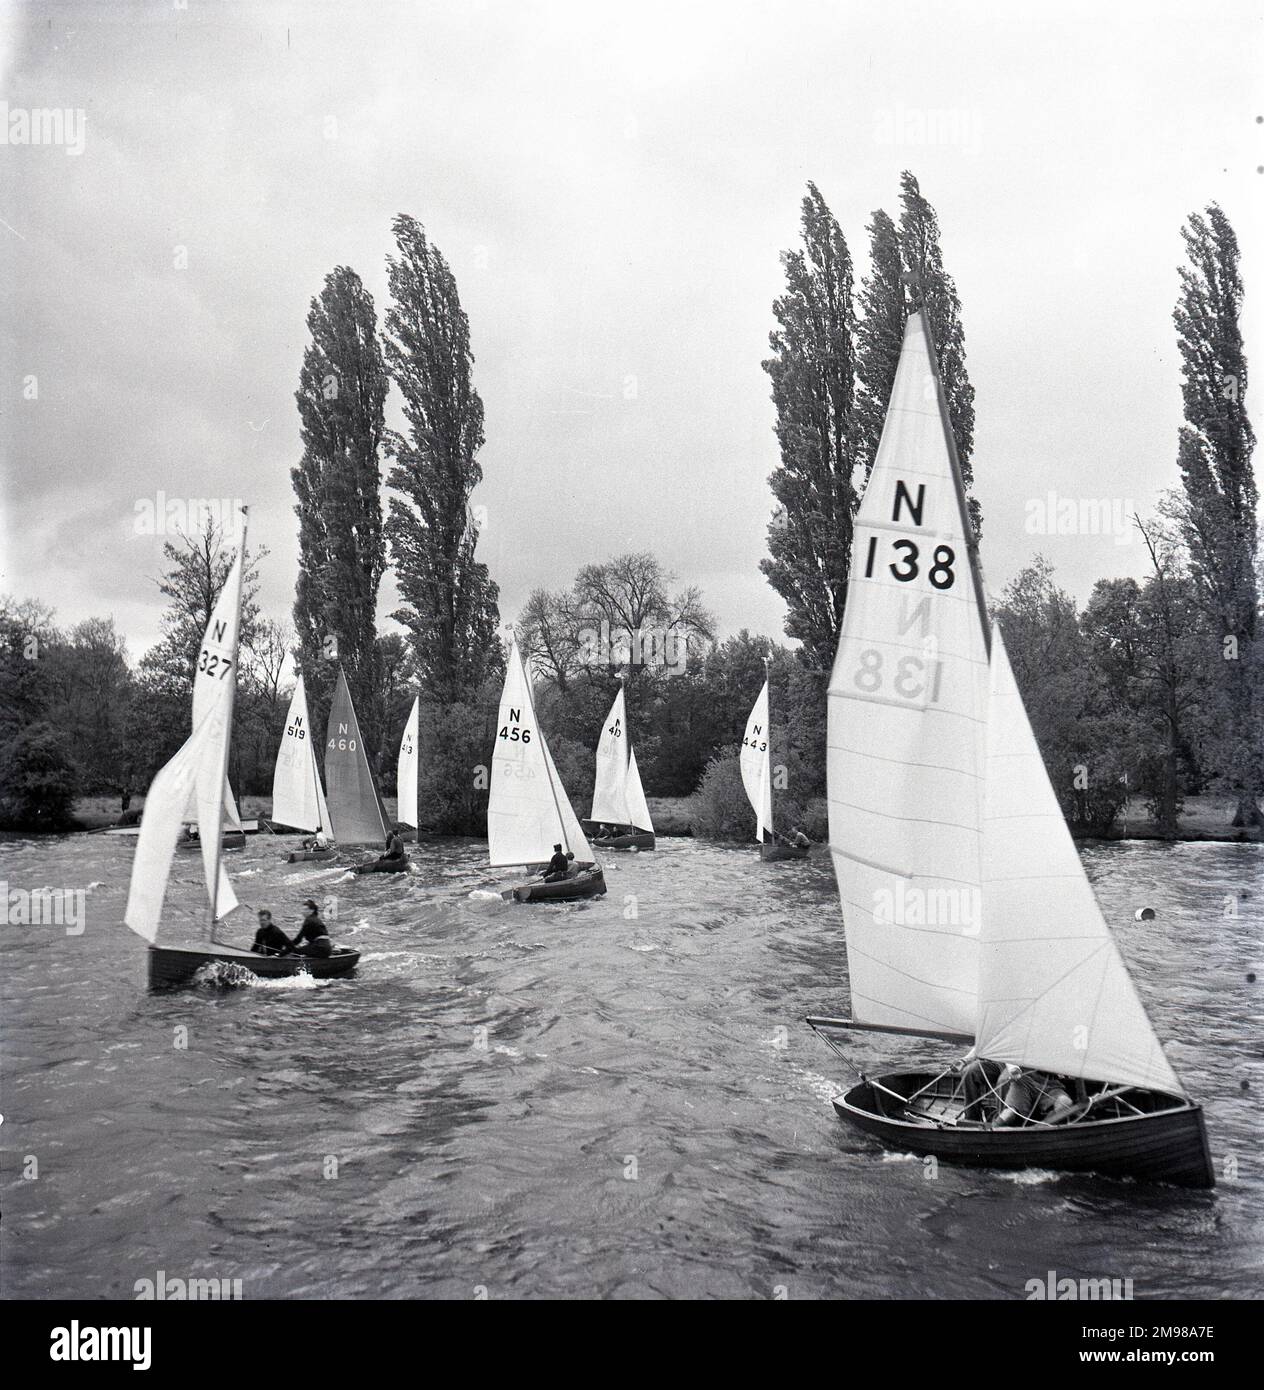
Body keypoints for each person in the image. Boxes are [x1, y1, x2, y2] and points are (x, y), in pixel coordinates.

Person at [994, 1066, 1074, 1127]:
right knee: (1009, 1113)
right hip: (1024, 1080)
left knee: (1065, 1102)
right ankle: (992, 1129)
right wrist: (1013, 1070)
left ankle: (1039, 1129)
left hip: (1052, 1086)